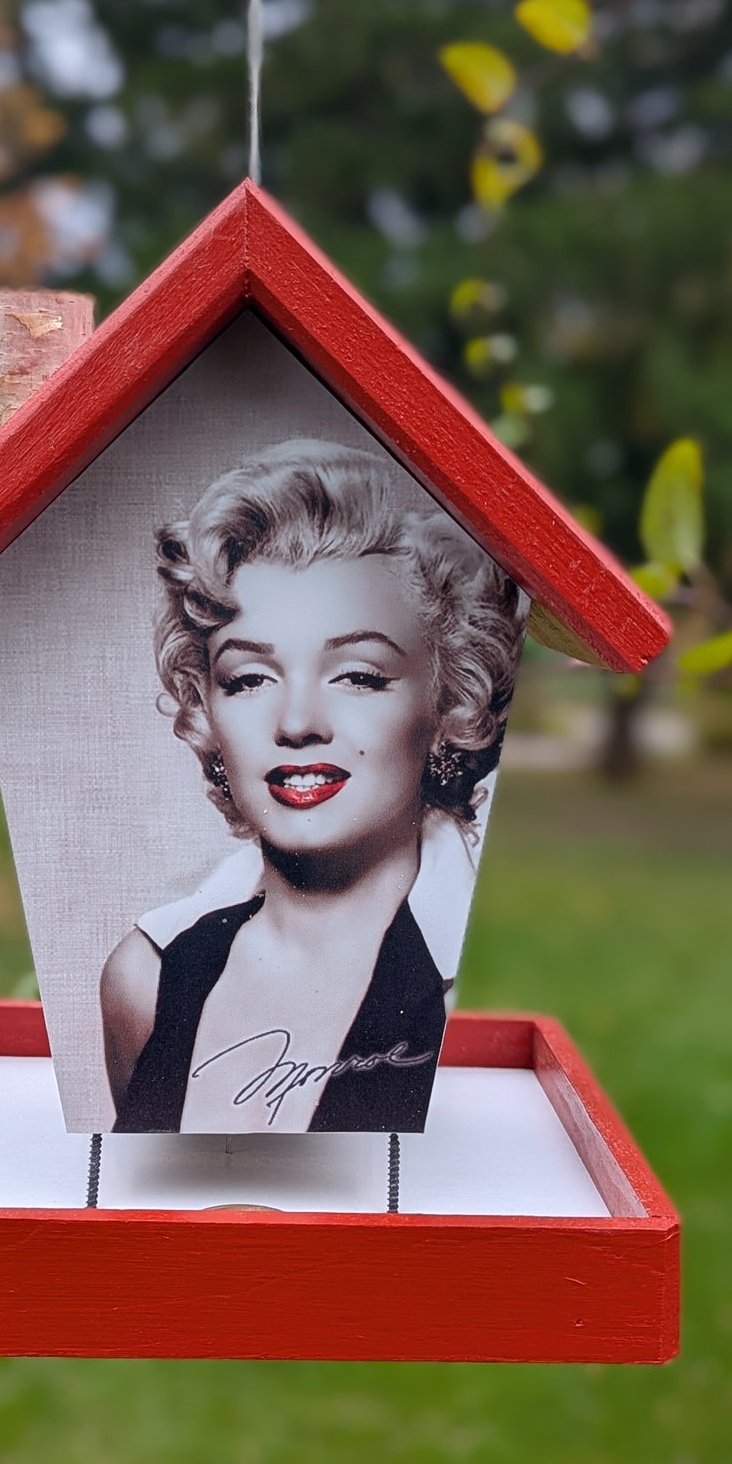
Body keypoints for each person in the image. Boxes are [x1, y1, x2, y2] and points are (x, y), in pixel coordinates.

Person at [101, 438, 525, 1134]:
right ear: (206, 709)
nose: (296, 722)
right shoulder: (146, 976)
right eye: (248, 678)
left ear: (451, 700)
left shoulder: (492, 988)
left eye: (358, 674)